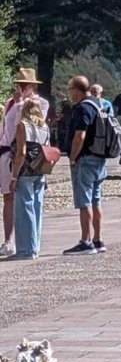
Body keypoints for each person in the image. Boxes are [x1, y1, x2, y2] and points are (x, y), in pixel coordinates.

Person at [64, 74, 115, 252]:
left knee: (84, 201)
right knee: (96, 200)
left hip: (85, 158)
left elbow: (80, 135)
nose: (69, 93)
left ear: (77, 90)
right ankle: (98, 240)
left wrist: (72, 157)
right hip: (99, 158)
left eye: (70, 89)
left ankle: (85, 241)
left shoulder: (82, 108)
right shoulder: (98, 105)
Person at [3, 92, 51, 260]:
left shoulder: (23, 126)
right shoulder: (44, 127)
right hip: (39, 171)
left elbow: (21, 153)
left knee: (24, 210)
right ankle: (34, 247)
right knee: (36, 209)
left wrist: (14, 176)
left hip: (25, 172)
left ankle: (25, 249)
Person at [0, 66, 36, 255]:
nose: (21, 87)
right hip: (6, 152)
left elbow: (21, 125)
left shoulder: (37, 103)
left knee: (24, 197)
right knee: (7, 196)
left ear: (32, 86)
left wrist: (20, 103)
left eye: (25, 85)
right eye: (19, 84)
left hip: (23, 153)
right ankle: (8, 240)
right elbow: (5, 128)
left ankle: (28, 243)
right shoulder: (9, 103)